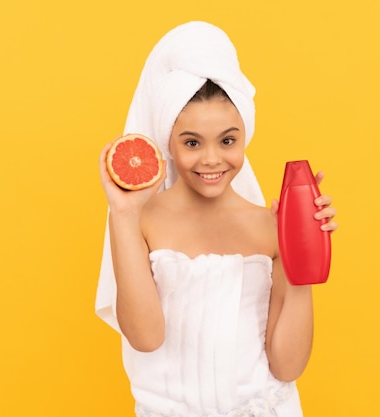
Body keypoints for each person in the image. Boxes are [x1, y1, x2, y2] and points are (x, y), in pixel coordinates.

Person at [96, 21, 338, 417]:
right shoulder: (142, 221)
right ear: (168, 143)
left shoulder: (269, 226)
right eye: (192, 142)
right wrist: (122, 214)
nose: (211, 159)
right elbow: (145, 337)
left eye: (227, 140)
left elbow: (288, 366)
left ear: (245, 137)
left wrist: (302, 253)